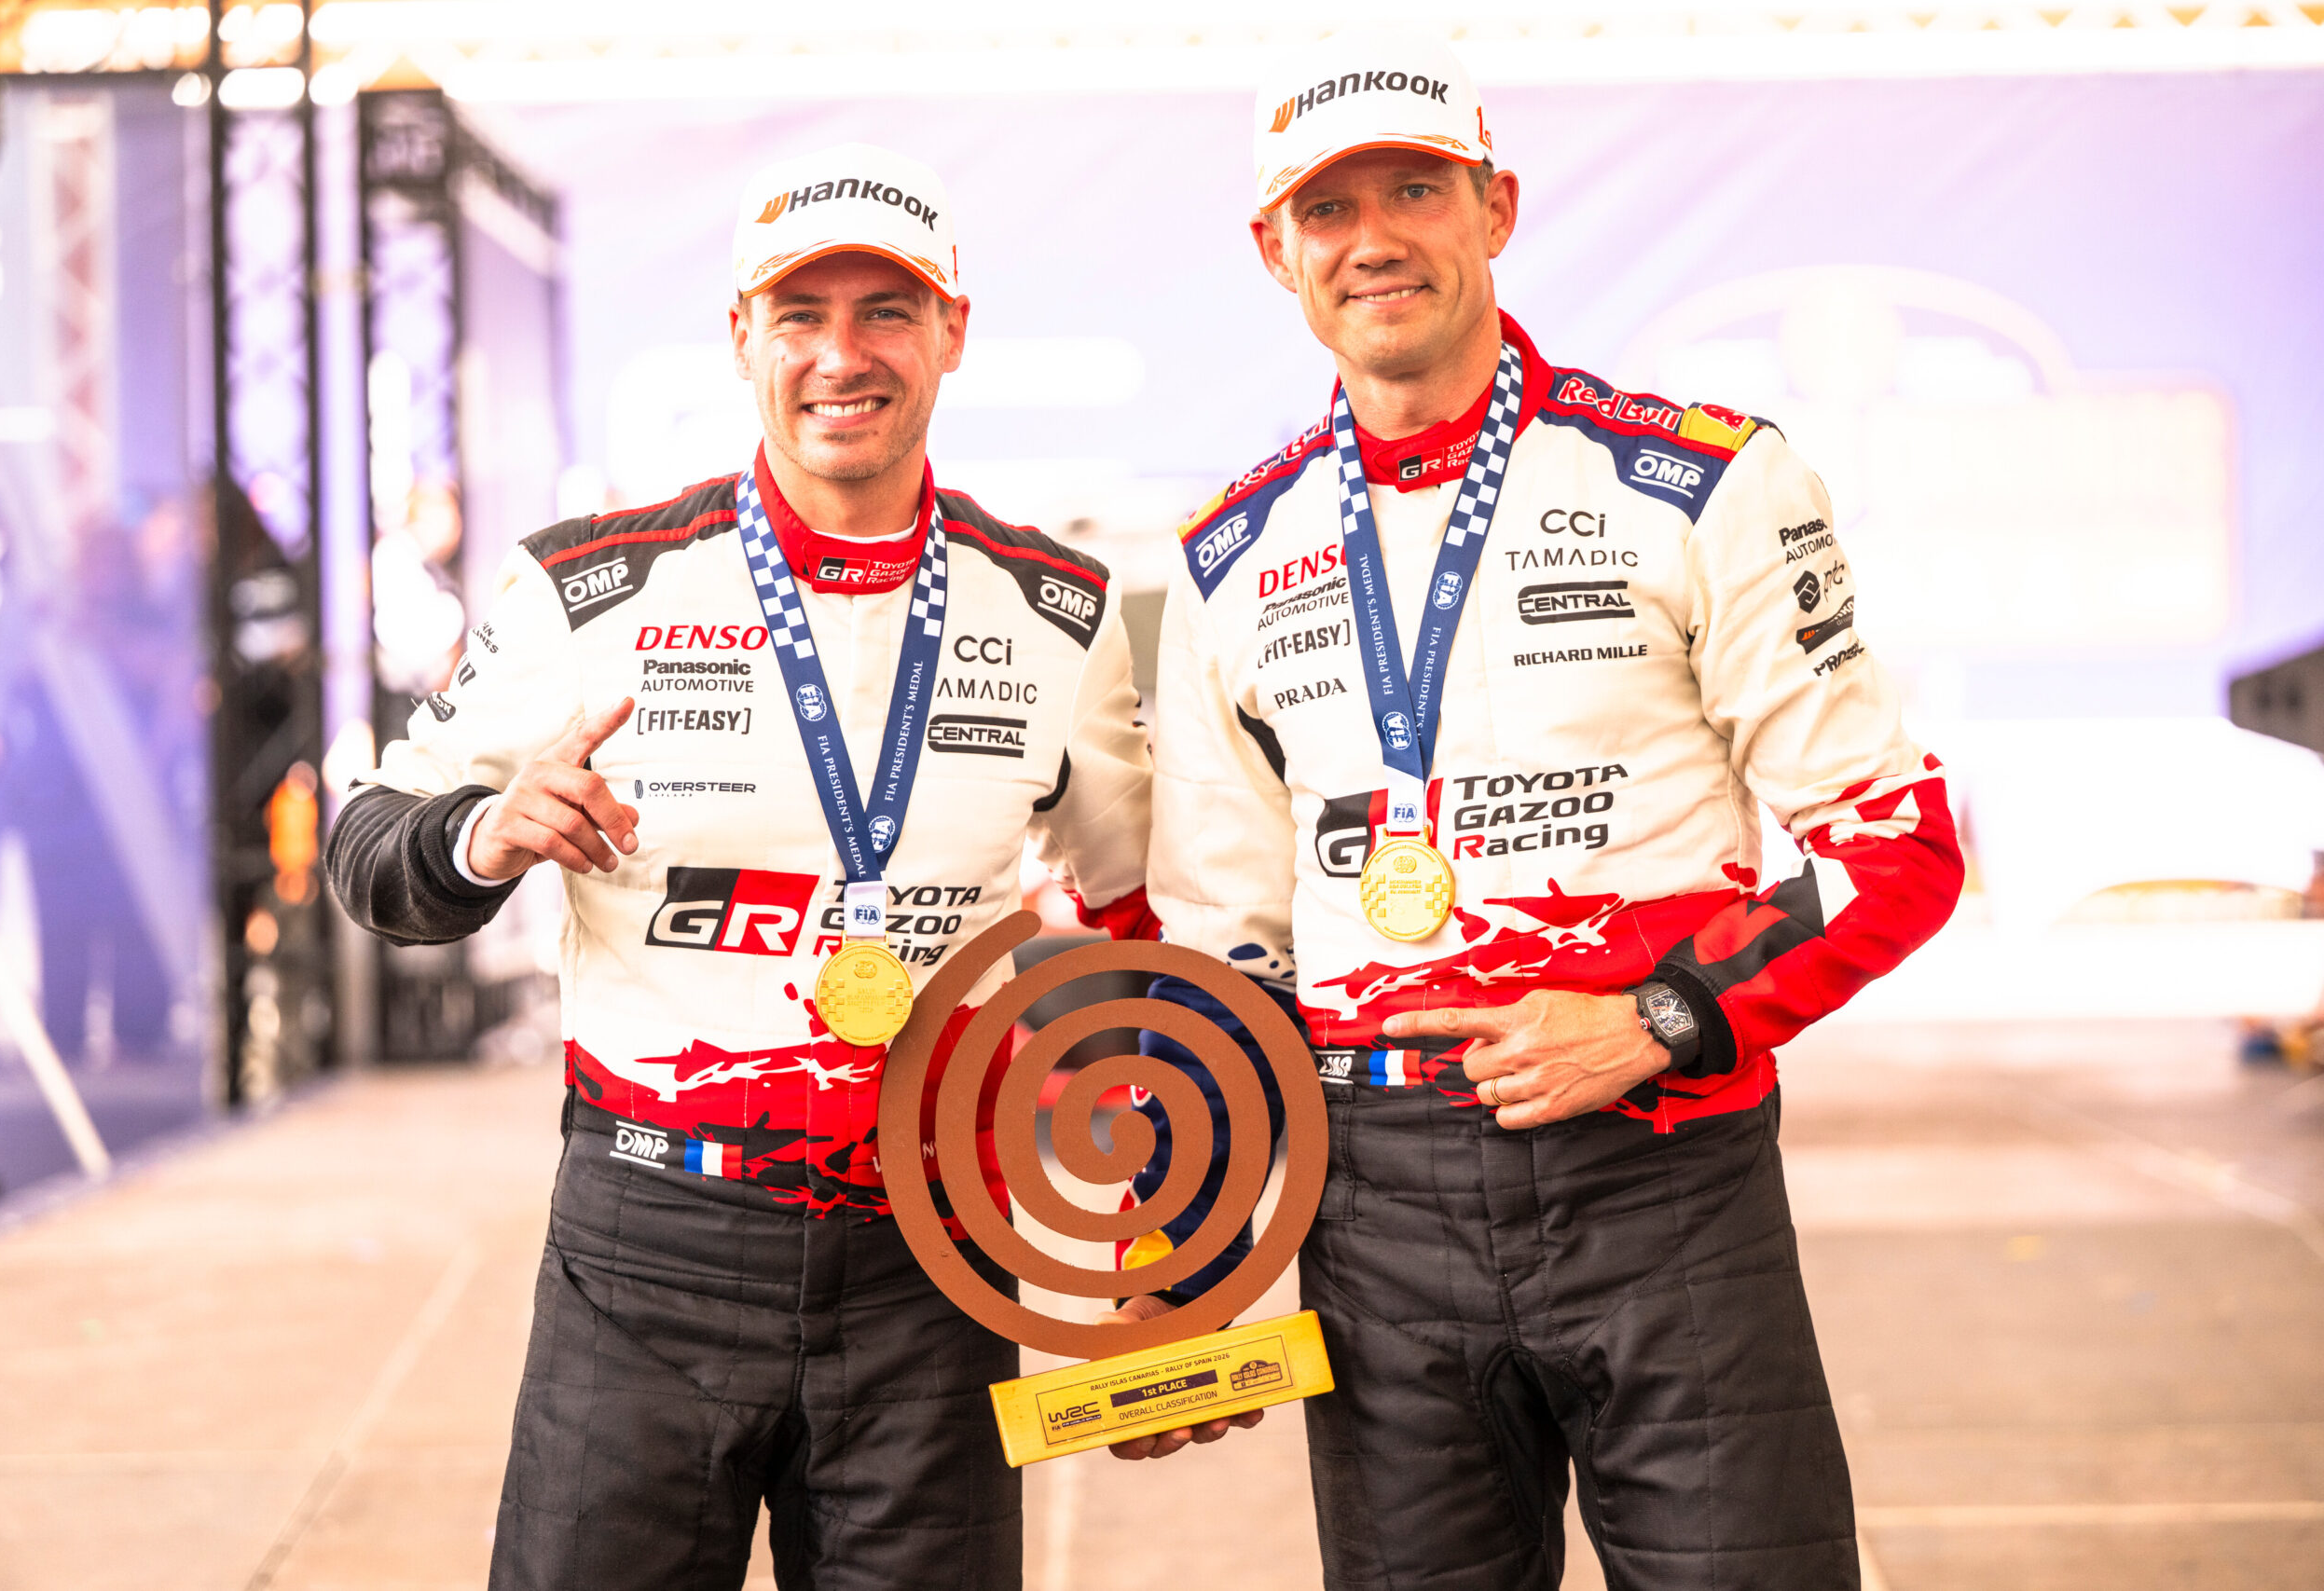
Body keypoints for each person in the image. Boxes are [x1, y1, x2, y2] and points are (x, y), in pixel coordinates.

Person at [1107, 29, 1964, 1591]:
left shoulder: (1705, 480)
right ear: (1275, 253)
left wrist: (1660, 1017)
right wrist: (1185, 1243)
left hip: (1659, 1165)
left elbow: (1896, 848)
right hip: (1370, 1204)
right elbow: (1225, 949)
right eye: (1326, 208)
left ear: (1495, 207)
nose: (1373, 239)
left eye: (1415, 190)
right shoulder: (1229, 553)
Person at [329, 143, 1157, 1591]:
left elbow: (1146, 934)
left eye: (886, 311)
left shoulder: (1059, 614)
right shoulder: (590, 589)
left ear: (952, 332)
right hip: (648, 1250)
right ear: (740, 337)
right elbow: (368, 841)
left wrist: (1160, 1244)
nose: (843, 354)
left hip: (932, 1263)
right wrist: (482, 832)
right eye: (799, 314)